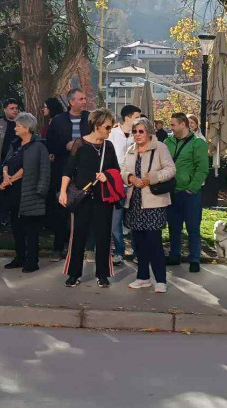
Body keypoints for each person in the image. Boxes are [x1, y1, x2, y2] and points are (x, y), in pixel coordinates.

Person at [59, 108, 120, 287]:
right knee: (77, 236)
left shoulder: (108, 146)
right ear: (97, 125)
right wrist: (63, 192)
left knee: (103, 236)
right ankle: (74, 273)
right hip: (82, 197)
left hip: (103, 198)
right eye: (108, 127)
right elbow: (68, 170)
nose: (110, 131)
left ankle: (103, 274)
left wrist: (106, 175)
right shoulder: (80, 144)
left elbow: (116, 169)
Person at [122, 117, 176, 292]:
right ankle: (143, 277)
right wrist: (130, 178)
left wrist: (150, 178)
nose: (137, 135)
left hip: (154, 202)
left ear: (149, 132)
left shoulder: (160, 147)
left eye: (141, 131)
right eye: (134, 132)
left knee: (154, 242)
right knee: (139, 243)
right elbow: (122, 169)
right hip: (134, 202)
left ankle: (160, 279)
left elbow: (170, 169)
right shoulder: (130, 150)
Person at [0, 112, 51, 272]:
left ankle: (32, 261)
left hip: (30, 192)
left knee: (31, 230)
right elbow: (6, 161)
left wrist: (9, 180)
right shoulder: (15, 144)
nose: (15, 128)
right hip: (13, 192)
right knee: (16, 227)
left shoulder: (39, 146)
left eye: (18, 125)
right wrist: (5, 174)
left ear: (27, 128)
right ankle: (19, 257)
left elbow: (39, 169)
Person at [47, 88, 90, 259]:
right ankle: (58, 246)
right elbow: (50, 143)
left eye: (85, 98)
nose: (84, 101)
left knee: (84, 208)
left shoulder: (90, 118)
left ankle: (82, 246)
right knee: (61, 208)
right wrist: (65, 146)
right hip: (63, 168)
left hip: (85, 170)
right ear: (71, 102)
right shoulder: (58, 121)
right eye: (81, 98)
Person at [165, 113, 209, 272]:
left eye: (173, 124)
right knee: (173, 226)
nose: (171, 128)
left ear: (183, 124)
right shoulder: (167, 142)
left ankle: (194, 258)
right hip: (172, 191)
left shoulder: (198, 143)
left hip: (190, 192)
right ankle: (174, 255)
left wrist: (193, 187)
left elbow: (203, 168)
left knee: (193, 227)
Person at [108, 104, 141, 265]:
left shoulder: (139, 135)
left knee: (135, 220)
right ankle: (119, 251)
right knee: (115, 221)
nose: (139, 120)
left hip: (135, 184)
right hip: (116, 184)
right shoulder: (112, 134)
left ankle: (137, 252)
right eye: (137, 117)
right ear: (127, 118)